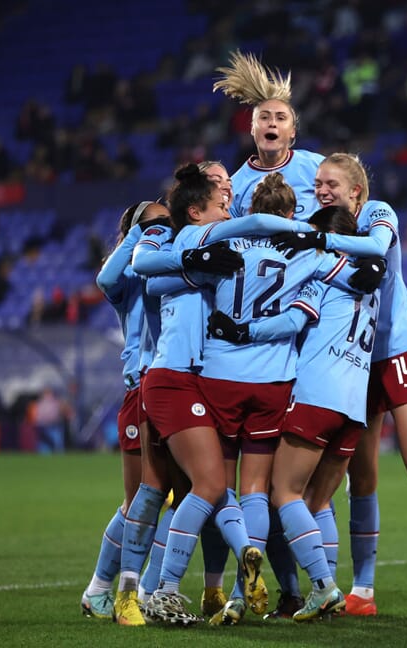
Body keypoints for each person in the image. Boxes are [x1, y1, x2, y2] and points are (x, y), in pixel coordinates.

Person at [270, 153, 407, 618]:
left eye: (331, 183)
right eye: (319, 183)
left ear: (356, 191)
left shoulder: (377, 213)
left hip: (398, 352)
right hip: (356, 363)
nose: (321, 189)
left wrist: (317, 237)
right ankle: (362, 591)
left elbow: (379, 247)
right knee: (361, 479)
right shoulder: (322, 224)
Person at [208, 204, 382, 622]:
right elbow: (370, 264)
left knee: (279, 494)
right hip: (354, 406)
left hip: (316, 395)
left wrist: (242, 330)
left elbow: (293, 320)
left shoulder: (320, 267)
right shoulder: (368, 278)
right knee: (317, 502)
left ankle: (318, 587)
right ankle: (309, 596)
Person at [131, 163, 264, 626]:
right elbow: (142, 269)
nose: (229, 204)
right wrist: (194, 264)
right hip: (173, 378)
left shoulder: (209, 244)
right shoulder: (188, 239)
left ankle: (159, 584)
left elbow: (158, 279)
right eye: (221, 200)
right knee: (192, 487)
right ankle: (152, 591)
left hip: (194, 381)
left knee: (200, 488)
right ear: (195, 210)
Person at [80, 199, 170, 624]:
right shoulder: (130, 275)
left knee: (169, 495)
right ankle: (105, 588)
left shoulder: (168, 264)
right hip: (142, 388)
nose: (162, 230)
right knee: (140, 499)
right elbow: (105, 277)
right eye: (154, 224)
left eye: (166, 223)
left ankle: (146, 588)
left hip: (174, 384)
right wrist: (142, 233)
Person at [212, 50, 324, 220]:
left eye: (281, 118)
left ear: (293, 131)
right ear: (252, 128)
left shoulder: (318, 167)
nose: (272, 123)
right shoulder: (235, 187)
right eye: (264, 117)